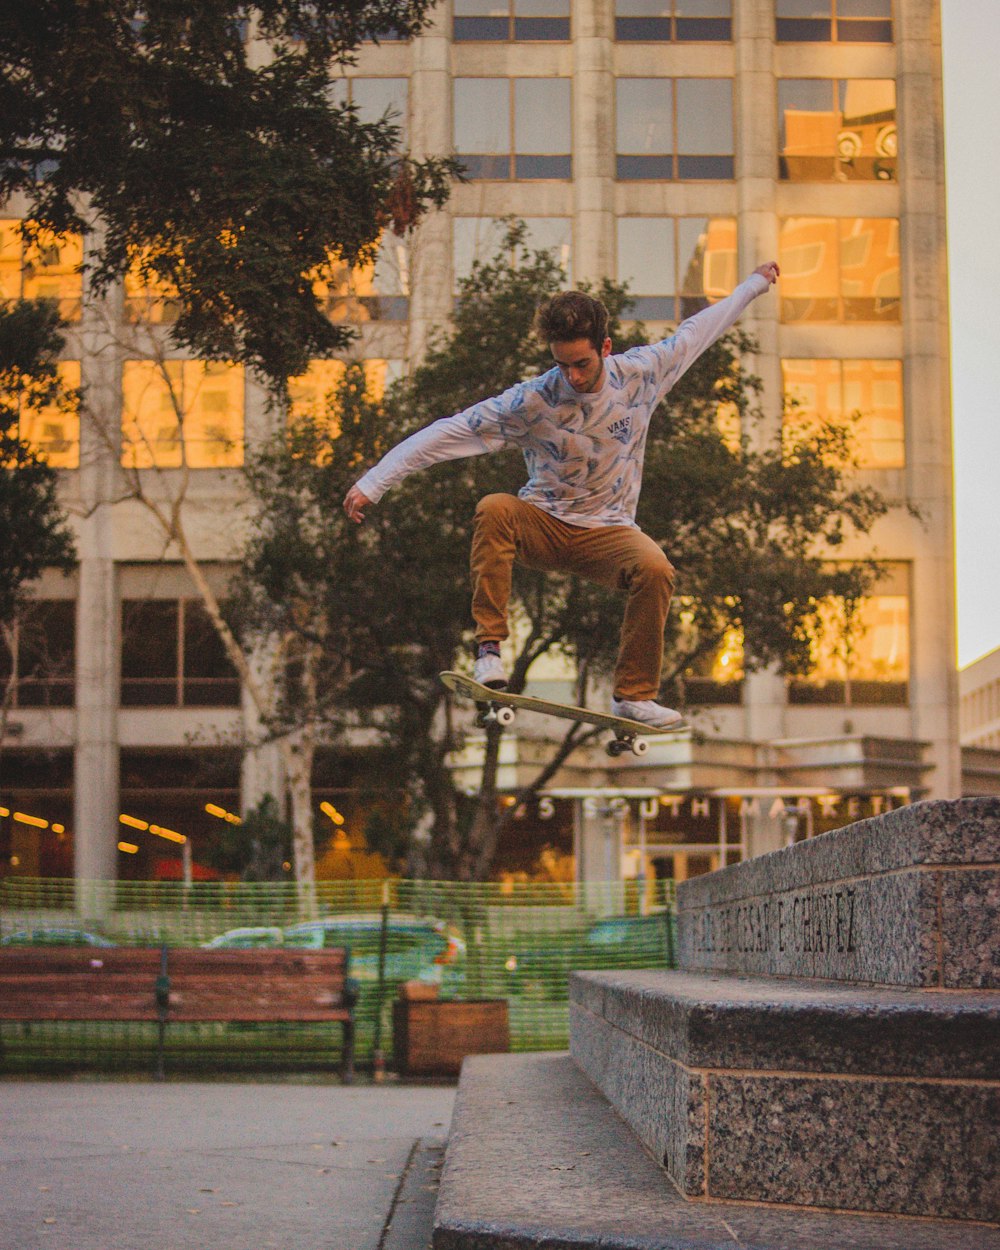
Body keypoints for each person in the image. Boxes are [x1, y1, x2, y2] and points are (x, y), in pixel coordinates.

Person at [343, 260, 779, 727]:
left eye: (581, 364)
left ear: (605, 348)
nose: (570, 377)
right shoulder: (532, 400)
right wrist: (374, 481)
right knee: (494, 509)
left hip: (608, 532)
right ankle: (489, 651)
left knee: (656, 569)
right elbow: (449, 432)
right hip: (543, 524)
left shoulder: (643, 373)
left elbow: (701, 330)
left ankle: (633, 695)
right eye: (561, 364)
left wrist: (753, 284)